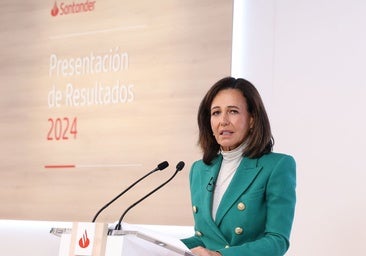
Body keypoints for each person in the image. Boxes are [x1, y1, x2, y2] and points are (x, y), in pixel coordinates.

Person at [181, 77, 296, 256]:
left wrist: (221, 255)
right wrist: (159, 244)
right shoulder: (199, 169)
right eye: (216, 113)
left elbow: (277, 241)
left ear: (252, 119)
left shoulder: (277, 166)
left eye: (233, 111)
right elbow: (205, 237)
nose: (223, 121)